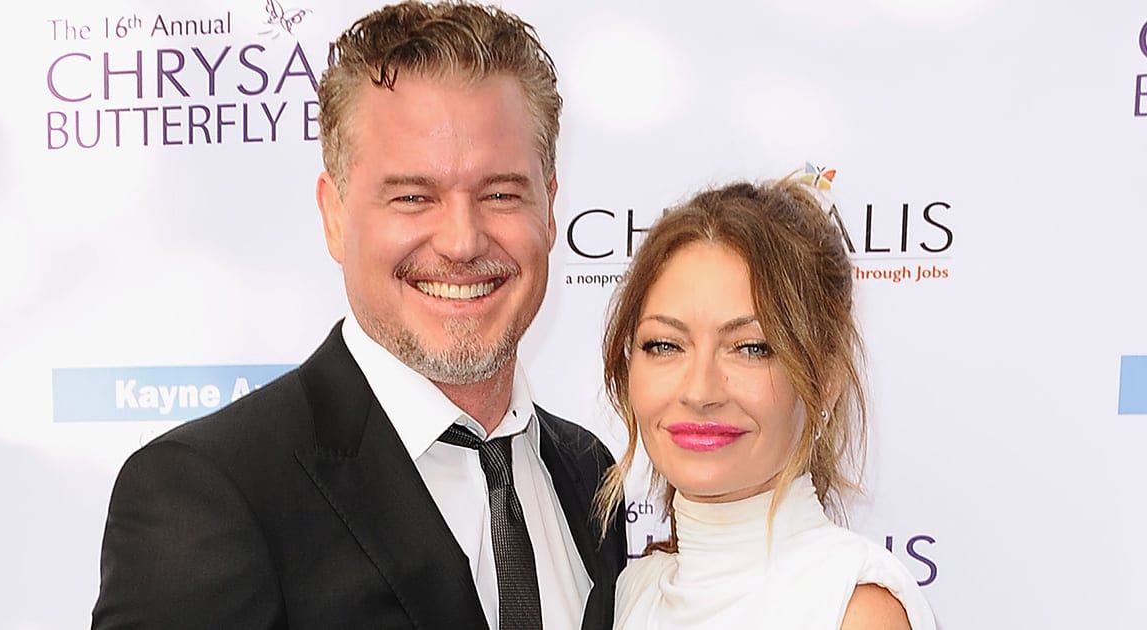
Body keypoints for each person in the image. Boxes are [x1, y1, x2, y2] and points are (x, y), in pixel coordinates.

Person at [91, 3, 626, 629]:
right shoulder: (207, 494)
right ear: (335, 215)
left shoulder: (589, 473)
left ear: (550, 207)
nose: (462, 241)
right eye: (413, 197)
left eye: (501, 194)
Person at [596, 180, 935, 629]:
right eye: (665, 345)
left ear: (826, 380)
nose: (700, 391)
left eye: (751, 348)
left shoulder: (854, 608)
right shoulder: (632, 591)